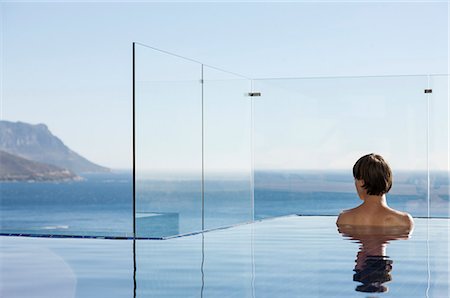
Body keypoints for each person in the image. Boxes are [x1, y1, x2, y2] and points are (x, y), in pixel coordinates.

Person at [336, 153, 414, 228]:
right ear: (388, 180)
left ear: (361, 182)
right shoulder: (404, 221)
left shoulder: (344, 219)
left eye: (355, 179)